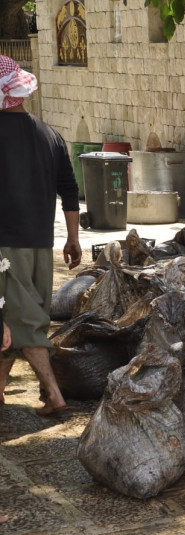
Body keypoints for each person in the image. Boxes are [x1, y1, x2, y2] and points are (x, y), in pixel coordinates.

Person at [0, 55, 81, 415]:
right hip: (41, 246)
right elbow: (70, 189)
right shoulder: (51, 134)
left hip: (5, 246)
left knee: (25, 323)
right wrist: (74, 239)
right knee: (16, 319)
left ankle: (53, 394)